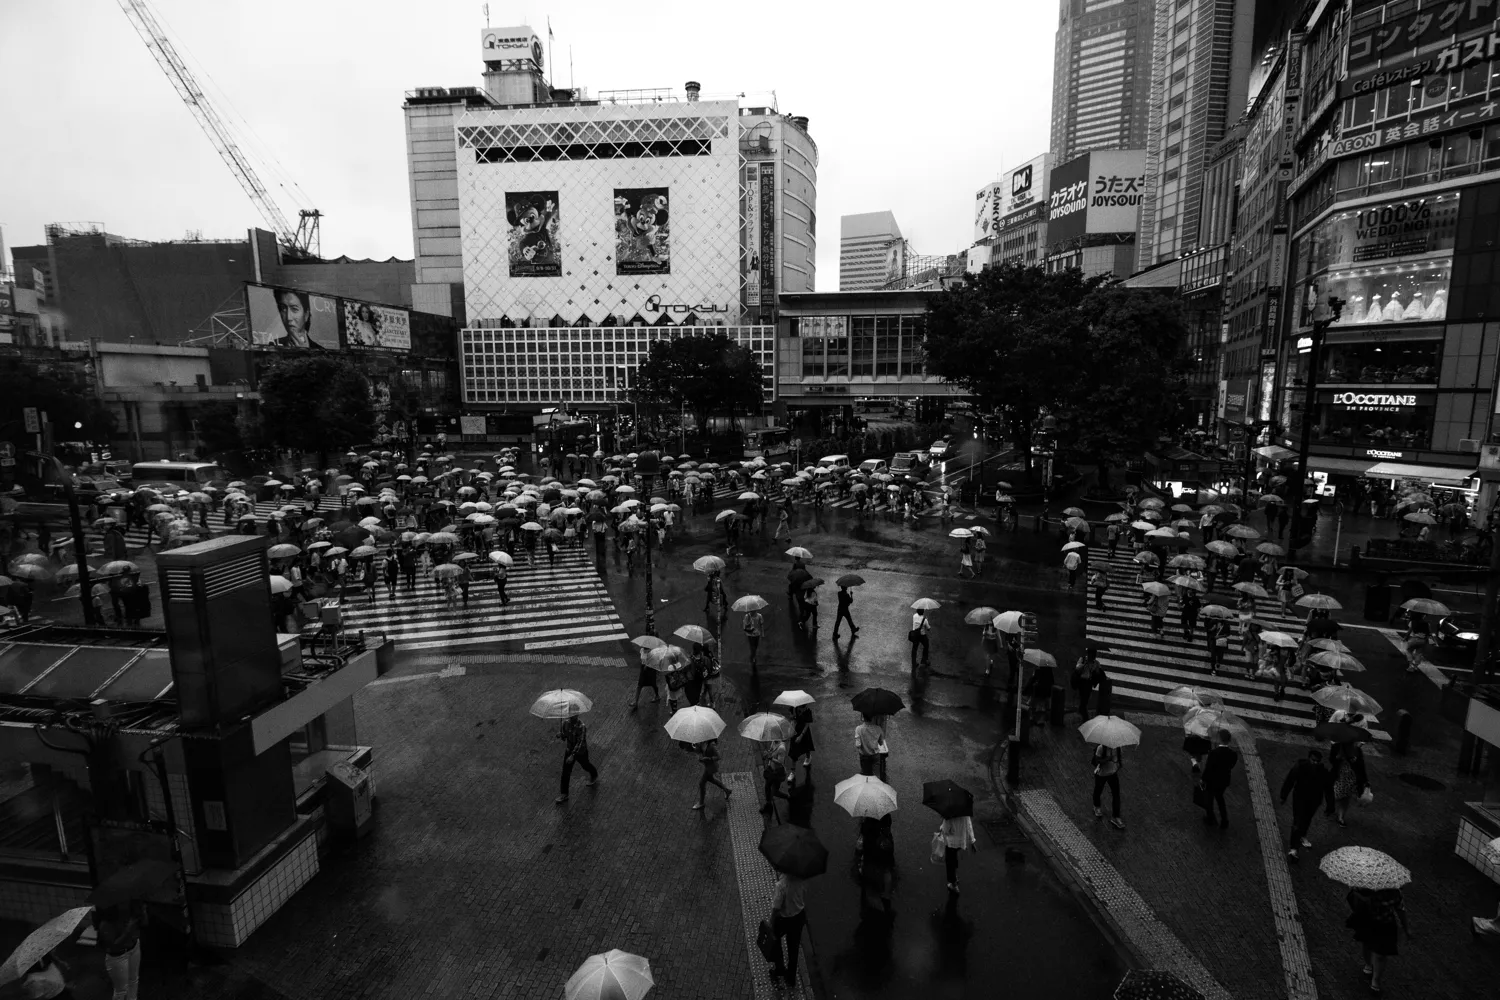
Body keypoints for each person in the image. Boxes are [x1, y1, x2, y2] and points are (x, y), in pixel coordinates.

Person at [1346, 886, 1408, 994]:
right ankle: (1369, 965)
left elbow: (1400, 909)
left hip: (1384, 925)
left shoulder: (1395, 893)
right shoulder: (1365, 888)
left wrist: (1406, 927)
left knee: (1381, 954)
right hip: (1369, 922)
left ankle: (1375, 980)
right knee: (1367, 945)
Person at [1280, 748, 1332, 862]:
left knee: (1307, 820)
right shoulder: (1300, 767)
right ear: (1309, 758)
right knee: (1297, 822)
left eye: (1317, 761)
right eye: (1313, 760)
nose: (1315, 763)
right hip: (1300, 799)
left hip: (1313, 801)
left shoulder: (1323, 772)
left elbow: (1328, 789)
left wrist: (1330, 806)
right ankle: (1293, 848)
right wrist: (1283, 795)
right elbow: (1290, 780)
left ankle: (1301, 836)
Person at [94, 900, 145, 1000]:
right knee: (121, 990)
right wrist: (128, 930)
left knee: (134, 980)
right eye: (121, 903)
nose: (124, 904)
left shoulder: (130, 913)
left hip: (134, 948)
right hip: (118, 956)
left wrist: (143, 911)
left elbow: (144, 923)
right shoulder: (106, 924)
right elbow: (113, 945)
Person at [769, 871, 808, 985]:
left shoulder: (781, 885)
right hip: (799, 917)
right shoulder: (802, 878)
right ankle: (791, 978)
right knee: (793, 949)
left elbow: (776, 908)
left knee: (775, 941)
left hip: (783, 920)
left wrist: (771, 922)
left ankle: (779, 968)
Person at [1197, 729, 1238, 828]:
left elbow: (1208, 768)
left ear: (1220, 739)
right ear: (1229, 740)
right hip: (1223, 781)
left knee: (1209, 799)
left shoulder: (1213, 753)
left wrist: (1203, 779)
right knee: (1220, 799)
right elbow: (1231, 766)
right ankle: (1224, 821)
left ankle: (1210, 819)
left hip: (1212, 781)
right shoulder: (1233, 754)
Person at [554, 714, 597, 804]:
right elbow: (565, 737)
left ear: (577, 715)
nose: (571, 717)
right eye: (570, 715)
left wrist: (573, 755)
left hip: (580, 752)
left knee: (585, 765)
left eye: (574, 715)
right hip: (569, 750)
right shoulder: (565, 723)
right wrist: (561, 735)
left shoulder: (582, 727)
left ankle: (594, 774)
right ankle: (564, 794)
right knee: (565, 772)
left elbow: (580, 742)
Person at [1327, 740, 1369, 827]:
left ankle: (1341, 817)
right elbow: (1331, 760)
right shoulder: (1336, 747)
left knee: (1345, 798)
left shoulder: (1356, 750)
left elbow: (1361, 766)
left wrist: (1365, 780)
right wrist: (1338, 758)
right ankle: (1332, 809)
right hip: (1338, 777)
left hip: (1351, 777)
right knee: (1336, 796)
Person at [938, 812, 977, 893]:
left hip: (951, 843)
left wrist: (941, 827)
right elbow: (969, 827)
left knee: (950, 862)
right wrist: (972, 841)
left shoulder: (949, 814)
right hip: (961, 842)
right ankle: (955, 875)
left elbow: (945, 830)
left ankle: (953, 884)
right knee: (954, 857)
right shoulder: (965, 814)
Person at [1090, 743, 1125, 829]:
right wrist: (1108, 758)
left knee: (1116, 795)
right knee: (1098, 790)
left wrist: (1118, 764)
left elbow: (1119, 758)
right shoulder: (1101, 748)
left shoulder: (1118, 747)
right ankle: (1096, 806)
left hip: (1113, 774)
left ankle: (1116, 817)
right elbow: (1097, 761)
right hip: (1101, 774)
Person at [692, 739, 730, 811]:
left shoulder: (712, 745)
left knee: (701, 784)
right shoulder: (703, 742)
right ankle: (727, 790)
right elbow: (700, 751)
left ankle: (701, 802)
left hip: (711, 767)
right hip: (707, 766)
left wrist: (709, 759)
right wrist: (696, 747)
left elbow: (718, 756)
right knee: (711, 779)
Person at [760, 740, 790, 816]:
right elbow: (771, 751)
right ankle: (768, 805)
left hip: (777, 773)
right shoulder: (773, 742)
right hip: (771, 770)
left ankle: (787, 797)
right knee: (767, 787)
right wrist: (767, 753)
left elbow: (780, 762)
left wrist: (771, 758)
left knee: (774, 791)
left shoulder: (781, 748)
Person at [855, 714, 887, 780]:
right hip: (875, 755)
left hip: (864, 755)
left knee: (865, 776)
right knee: (876, 776)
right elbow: (881, 743)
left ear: (863, 717)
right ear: (872, 718)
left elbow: (858, 745)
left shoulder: (858, 729)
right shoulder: (878, 728)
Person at [1072, 648, 1102, 718]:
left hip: (1089, 683)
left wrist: (1097, 672)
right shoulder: (1082, 659)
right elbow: (1077, 669)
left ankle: (1081, 711)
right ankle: (1084, 715)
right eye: (1092, 655)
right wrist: (1085, 664)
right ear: (1088, 654)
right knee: (1083, 699)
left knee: (1086, 699)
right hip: (1082, 682)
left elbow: (1099, 672)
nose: (1094, 657)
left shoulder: (1096, 663)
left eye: (1095, 655)